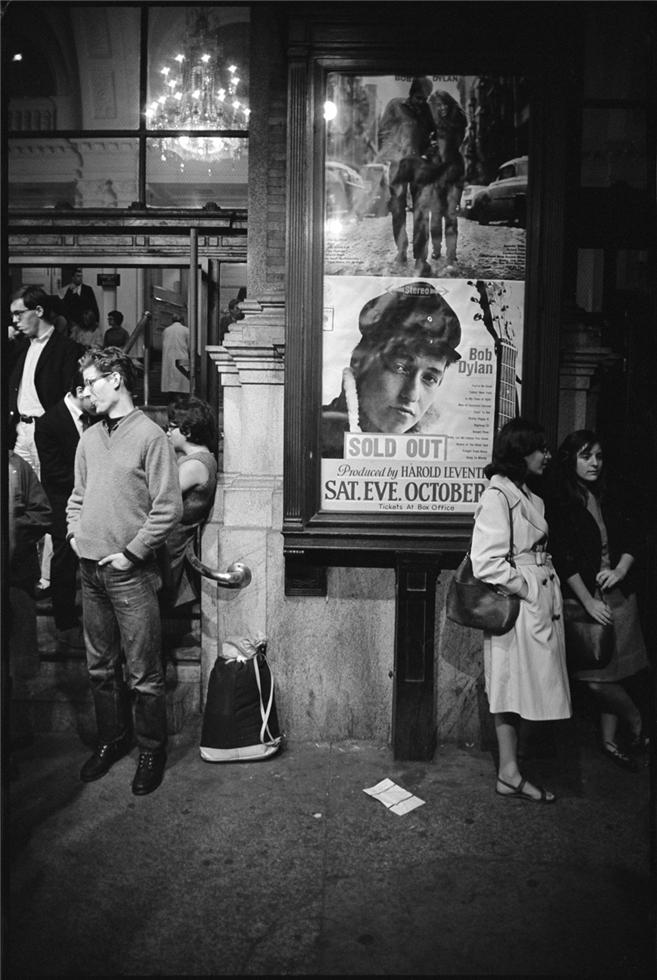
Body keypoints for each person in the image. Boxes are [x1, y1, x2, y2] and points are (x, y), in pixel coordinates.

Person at [66, 346, 183, 795]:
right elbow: (77, 495)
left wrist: (132, 553)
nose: (86, 391)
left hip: (129, 573)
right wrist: (75, 535)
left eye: (92, 381)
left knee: (143, 673)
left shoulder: (151, 436)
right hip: (89, 569)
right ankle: (112, 740)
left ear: (115, 380)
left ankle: (151, 748)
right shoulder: (90, 437)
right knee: (99, 668)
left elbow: (167, 508)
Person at [469, 417, 571, 803]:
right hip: (520, 606)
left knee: (529, 686)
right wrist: (528, 588)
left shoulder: (526, 493)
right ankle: (509, 773)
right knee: (511, 686)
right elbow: (486, 562)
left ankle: (514, 766)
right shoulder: (499, 496)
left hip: (540, 600)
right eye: (540, 448)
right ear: (519, 452)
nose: (547, 455)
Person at [545, 430, 650, 771]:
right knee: (593, 675)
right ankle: (635, 718)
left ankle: (608, 741)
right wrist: (588, 601)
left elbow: (637, 534)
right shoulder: (561, 499)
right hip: (586, 598)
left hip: (619, 595)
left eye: (599, 457)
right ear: (569, 459)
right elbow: (564, 556)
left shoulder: (612, 492)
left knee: (614, 672)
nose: (594, 463)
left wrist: (621, 569)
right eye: (586, 456)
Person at [321, 282, 462, 456]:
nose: (411, 395)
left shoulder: (436, 455)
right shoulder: (313, 432)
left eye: (430, 378)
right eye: (400, 368)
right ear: (360, 362)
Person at [35, 368, 97, 653]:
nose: (95, 398)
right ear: (78, 391)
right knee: (64, 559)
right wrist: (90, 479)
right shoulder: (49, 422)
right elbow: (53, 471)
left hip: (93, 498)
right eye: (91, 391)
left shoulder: (95, 417)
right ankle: (64, 621)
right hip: (62, 499)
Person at [161, 395, 218, 607]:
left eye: (171, 426)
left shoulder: (194, 465)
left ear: (188, 431)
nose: (167, 432)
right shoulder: (201, 459)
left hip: (169, 547)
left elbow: (160, 497)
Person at [376, 77, 436, 268]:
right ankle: (401, 251)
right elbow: (383, 132)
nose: (421, 102)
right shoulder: (395, 106)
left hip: (419, 166)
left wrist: (430, 151)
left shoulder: (427, 111)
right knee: (397, 210)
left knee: (421, 211)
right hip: (399, 165)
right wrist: (392, 154)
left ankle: (420, 257)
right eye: (419, 97)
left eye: (425, 98)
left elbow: (434, 136)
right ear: (411, 94)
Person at [160, 316, 190, 399]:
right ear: (182, 320)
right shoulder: (186, 330)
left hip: (168, 358)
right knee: (182, 381)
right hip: (182, 357)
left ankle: (172, 398)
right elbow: (190, 345)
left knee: (171, 380)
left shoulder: (166, 330)